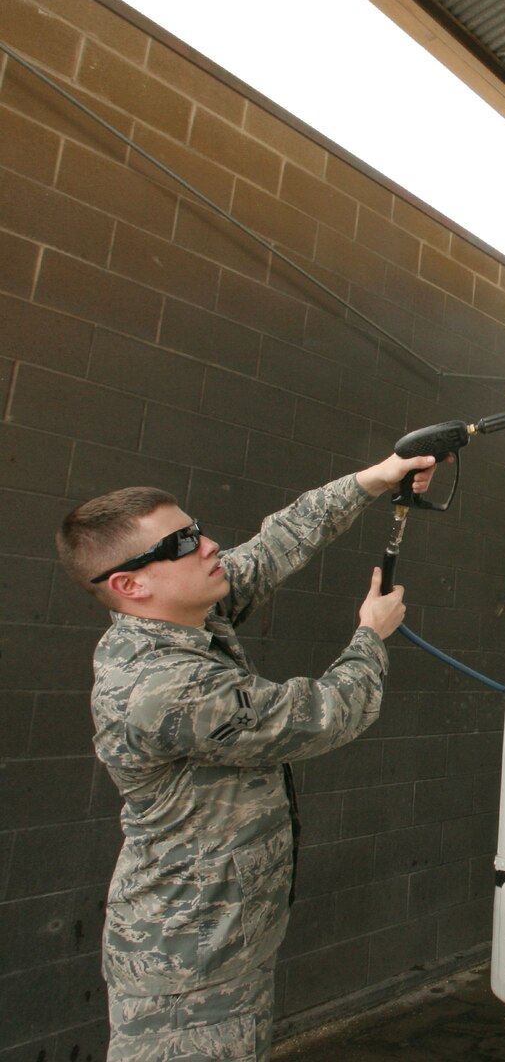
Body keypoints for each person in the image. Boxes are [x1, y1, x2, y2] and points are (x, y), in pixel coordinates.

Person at [55, 453, 438, 1062]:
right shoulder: (159, 686)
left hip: (227, 943)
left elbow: (278, 541)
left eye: (196, 527)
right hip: (186, 970)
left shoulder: (185, 615)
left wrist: (380, 475)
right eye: (182, 542)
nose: (208, 544)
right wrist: (371, 635)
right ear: (130, 584)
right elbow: (321, 716)